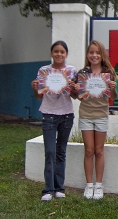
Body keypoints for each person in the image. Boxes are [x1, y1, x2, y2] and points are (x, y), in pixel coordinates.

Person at [31, 41, 78, 201]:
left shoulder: (71, 71)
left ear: (66, 54)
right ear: (51, 53)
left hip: (66, 115)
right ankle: (48, 189)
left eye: (62, 52)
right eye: (56, 51)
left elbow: (74, 96)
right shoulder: (44, 71)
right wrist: (34, 88)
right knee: (50, 152)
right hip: (48, 115)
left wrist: (73, 88)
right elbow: (39, 96)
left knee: (61, 152)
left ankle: (59, 188)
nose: (59, 54)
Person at [74, 40, 117, 199]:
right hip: (86, 114)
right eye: (91, 52)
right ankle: (89, 185)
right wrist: (77, 90)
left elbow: (112, 98)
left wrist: (112, 88)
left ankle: (99, 185)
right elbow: (79, 97)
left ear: (102, 54)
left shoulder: (108, 72)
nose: (94, 55)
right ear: (87, 54)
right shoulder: (82, 73)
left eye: (97, 52)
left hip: (101, 115)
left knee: (99, 151)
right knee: (89, 150)